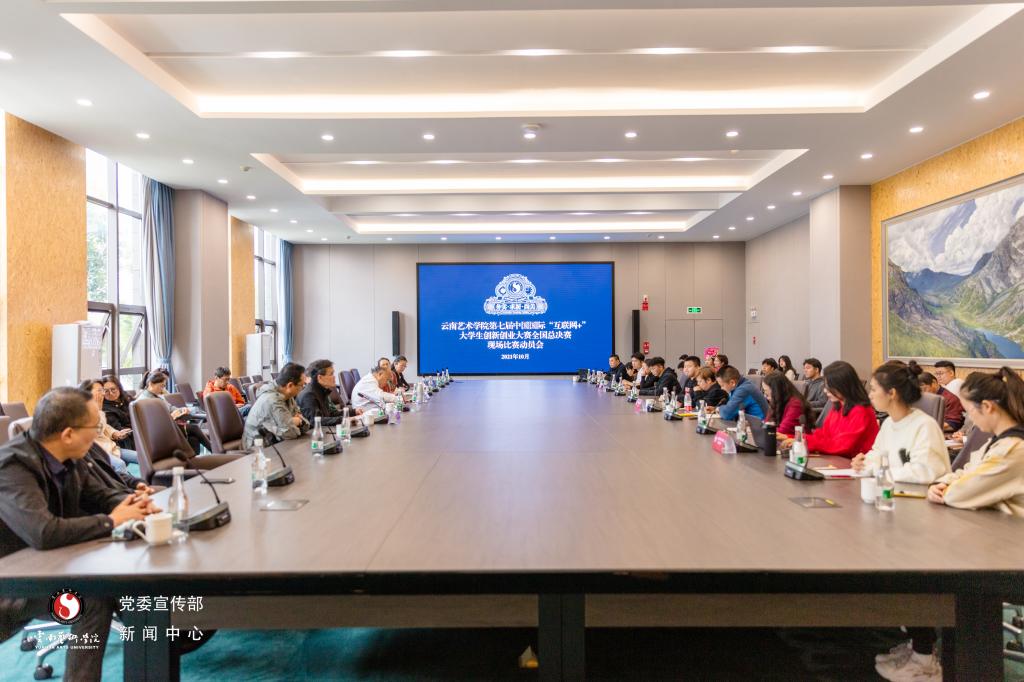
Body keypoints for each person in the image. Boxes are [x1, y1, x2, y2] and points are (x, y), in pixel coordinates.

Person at [0, 387, 158, 682]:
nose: (98, 434)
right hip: (14, 582)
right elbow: (44, 532)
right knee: (90, 599)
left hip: (53, 563)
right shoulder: (12, 466)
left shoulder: (67, 456)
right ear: (68, 434)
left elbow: (100, 495)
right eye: (94, 428)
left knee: (127, 583)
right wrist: (113, 520)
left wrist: (132, 503)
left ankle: (165, 644)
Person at [929, 367, 1024, 517]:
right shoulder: (998, 440)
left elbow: (959, 495)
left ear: (987, 407)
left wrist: (944, 491)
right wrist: (943, 483)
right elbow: (969, 470)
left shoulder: (1012, 449)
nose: (970, 418)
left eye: (969, 411)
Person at [850, 363, 950, 484]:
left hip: (920, 494)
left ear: (892, 393)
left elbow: (923, 472)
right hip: (893, 490)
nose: (870, 395)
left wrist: (878, 471)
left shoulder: (925, 426)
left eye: (874, 389)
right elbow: (878, 454)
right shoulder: (888, 423)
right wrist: (864, 462)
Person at [792, 361, 878, 458]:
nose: (825, 390)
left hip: (853, 462)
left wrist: (805, 441)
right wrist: (797, 438)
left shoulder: (861, 411)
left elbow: (842, 446)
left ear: (843, 386)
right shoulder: (838, 405)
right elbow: (824, 434)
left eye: (829, 387)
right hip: (837, 459)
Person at [137, 370, 212, 454]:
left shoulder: (157, 397)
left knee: (193, 438)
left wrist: (180, 410)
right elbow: (153, 422)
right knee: (194, 428)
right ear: (151, 384)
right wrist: (171, 417)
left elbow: (170, 407)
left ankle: (193, 458)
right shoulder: (143, 400)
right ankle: (214, 450)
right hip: (159, 430)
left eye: (163, 386)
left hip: (168, 425)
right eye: (161, 386)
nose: (162, 389)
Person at [243, 362, 309, 448]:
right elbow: (290, 433)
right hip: (258, 449)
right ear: (290, 385)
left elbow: (306, 424)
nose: (303, 388)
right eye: (302, 385)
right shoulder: (272, 400)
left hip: (275, 443)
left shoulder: (288, 396)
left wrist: (298, 421)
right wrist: (295, 422)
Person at [79, 379, 137, 477]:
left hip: (111, 447)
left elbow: (106, 427)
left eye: (102, 390)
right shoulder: (82, 411)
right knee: (120, 464)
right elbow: (96, 430)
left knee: (139, 456)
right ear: (87, 393)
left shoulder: (98, 407)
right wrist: (98, 409)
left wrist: (115, 433)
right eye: (99, 390)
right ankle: (124, 485)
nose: (103, 393)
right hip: (98, 451)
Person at [298, 359, 361, 427]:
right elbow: (315, 421)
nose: (334, 377)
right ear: (320, 378)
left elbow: (330, 414)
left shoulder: (322, 391)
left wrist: (354, 412)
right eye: (331, 374)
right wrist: (344, 420)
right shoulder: (308, 395)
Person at [762, 372, 815, 438]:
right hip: (781, 439)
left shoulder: (795, 404)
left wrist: (765, 430)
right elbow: (767, 423)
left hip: (796, 441)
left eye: (766, 392)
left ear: (776, 391)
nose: (765, 395)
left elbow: (782, 432)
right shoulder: (778, 401)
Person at [100, 375, 136, 455]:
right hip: (127, 439)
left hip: (138, 430)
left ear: (119, 388)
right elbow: (119, 429)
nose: (111, 393)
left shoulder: (126, 397)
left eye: (113, 389)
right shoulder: (105, 408)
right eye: (106, 391)